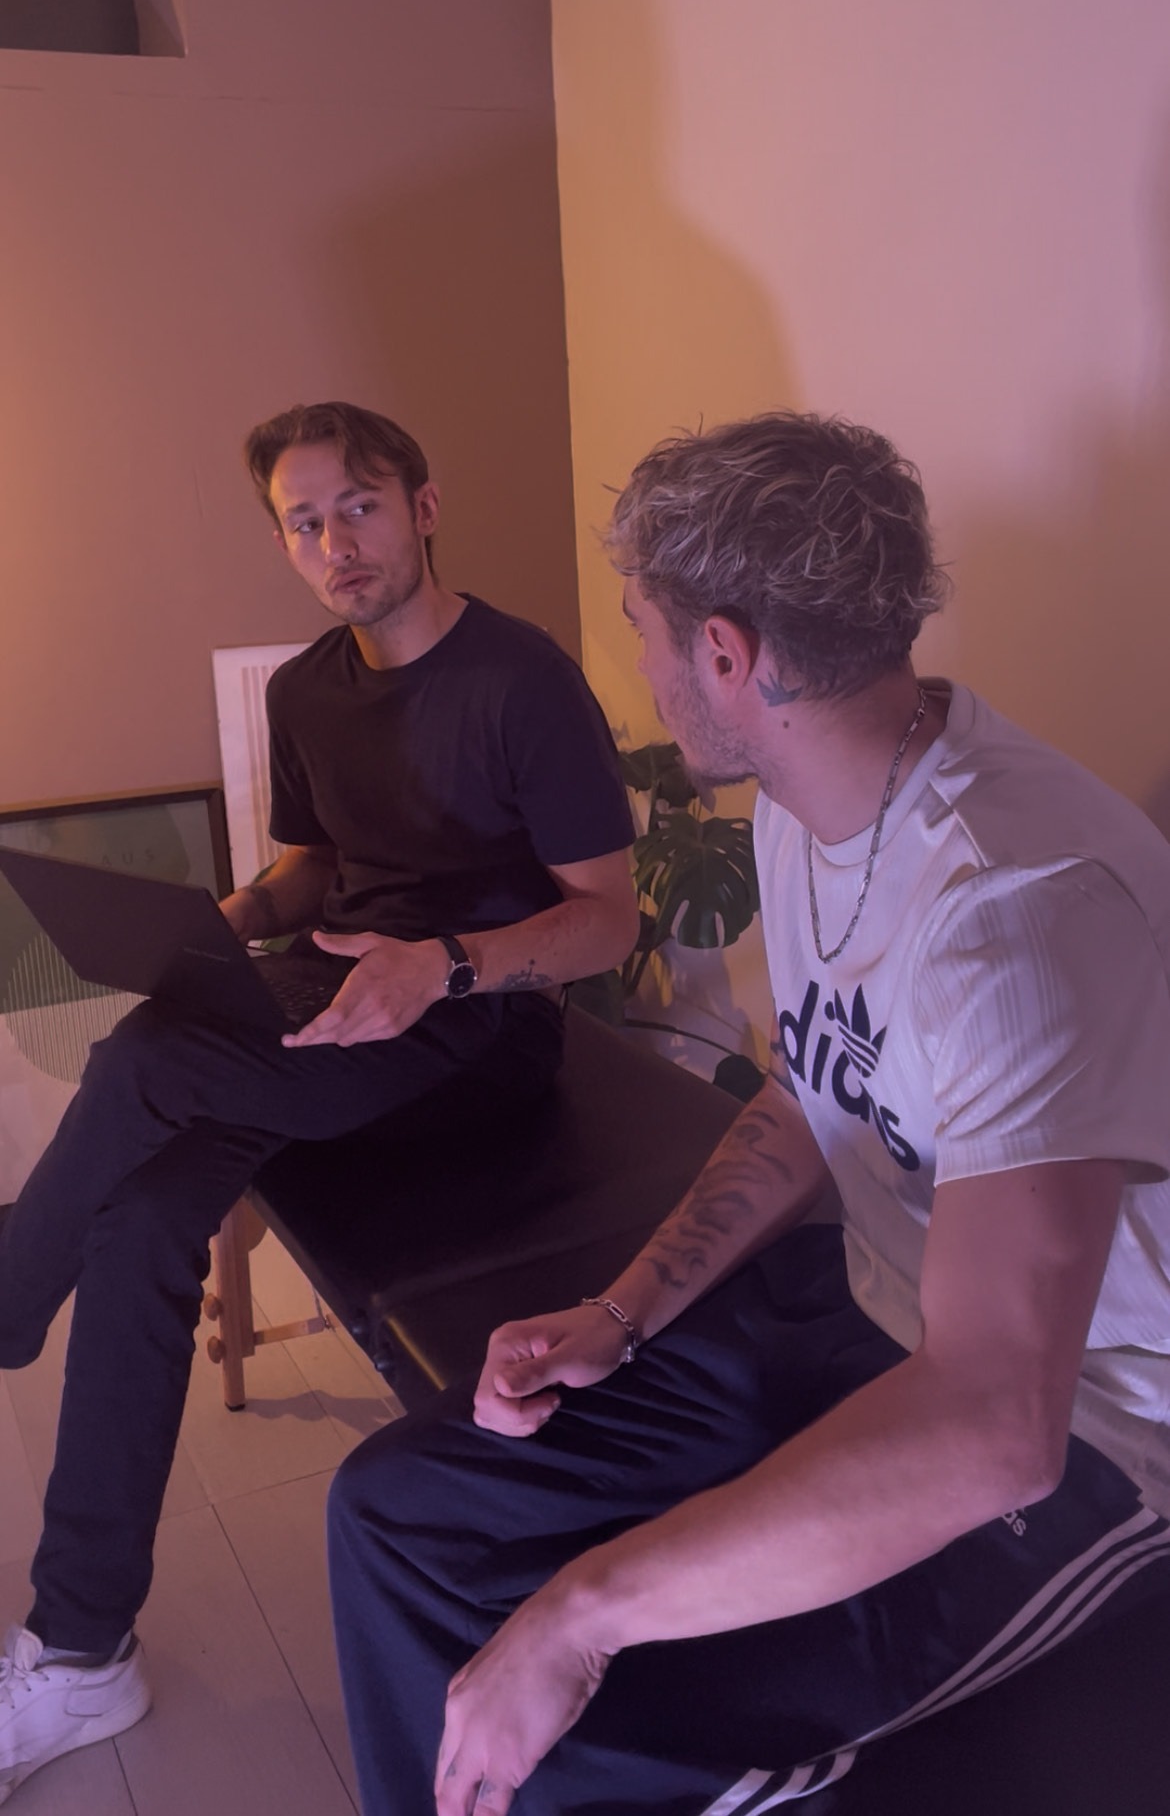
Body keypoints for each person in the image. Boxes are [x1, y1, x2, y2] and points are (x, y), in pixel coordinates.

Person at [327, 410, 1170, 1816]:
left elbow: (992, 1425)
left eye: (642, 634)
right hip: (869, 1308)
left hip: (1096, 1429)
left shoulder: (1015, 913)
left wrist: (583, 1614)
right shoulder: (800, 800)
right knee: (397, 1511)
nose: (641, 673)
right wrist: (623, 1311)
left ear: (725, 653)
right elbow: (815, 1089)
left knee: (616, 1726)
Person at [0, 401, 638, 1803]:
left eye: (358, 505)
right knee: (144, 1214)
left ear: (422, 505)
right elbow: (309, 869)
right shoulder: (305, 692)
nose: (336, 542)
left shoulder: (522, 680)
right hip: (342, 1000)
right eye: (304, 522)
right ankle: (81, 1646)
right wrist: (221, 929)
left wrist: (447, 961)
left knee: (146, 1060)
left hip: (482, 1025)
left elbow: (606, 917)